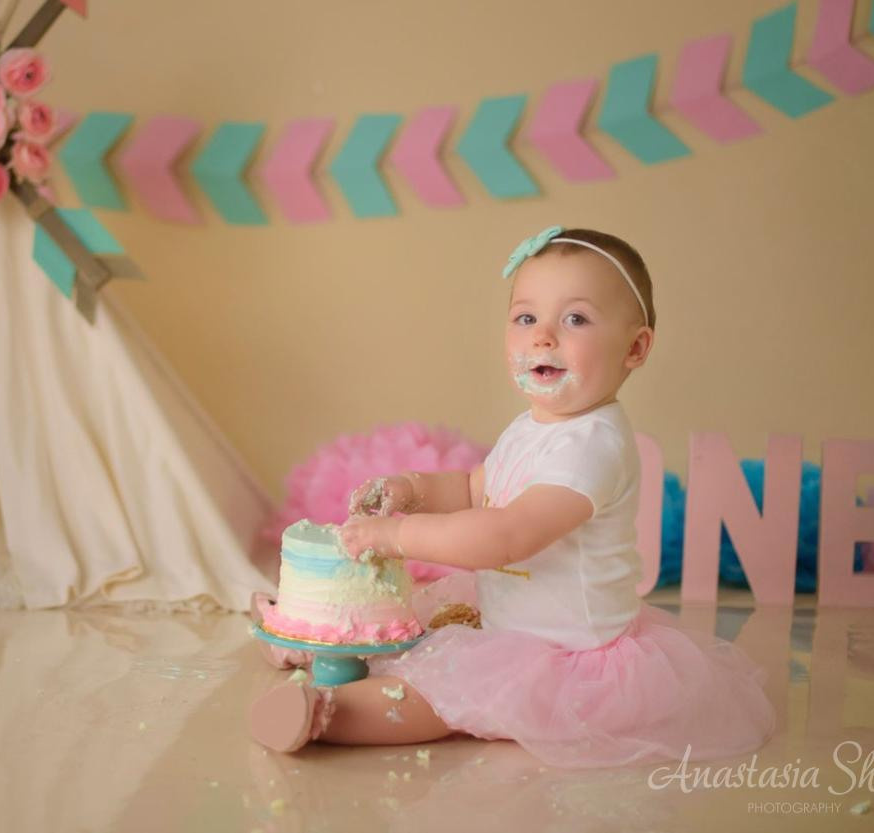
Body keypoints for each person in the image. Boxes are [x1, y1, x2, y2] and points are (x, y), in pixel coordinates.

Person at [247, 225, 775, 768]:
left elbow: (506, 536)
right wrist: (414, 489)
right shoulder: (535, 425)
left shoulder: (594, 446)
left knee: (448, 693)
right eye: (527, 318)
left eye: (575, 319)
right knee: (416, 625)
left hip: (562, 656)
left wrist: (399, 535)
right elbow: (481, 488)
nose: (543, 336)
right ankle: (316, 643)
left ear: (635, 347)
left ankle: (327, 711)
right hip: (510, 620)